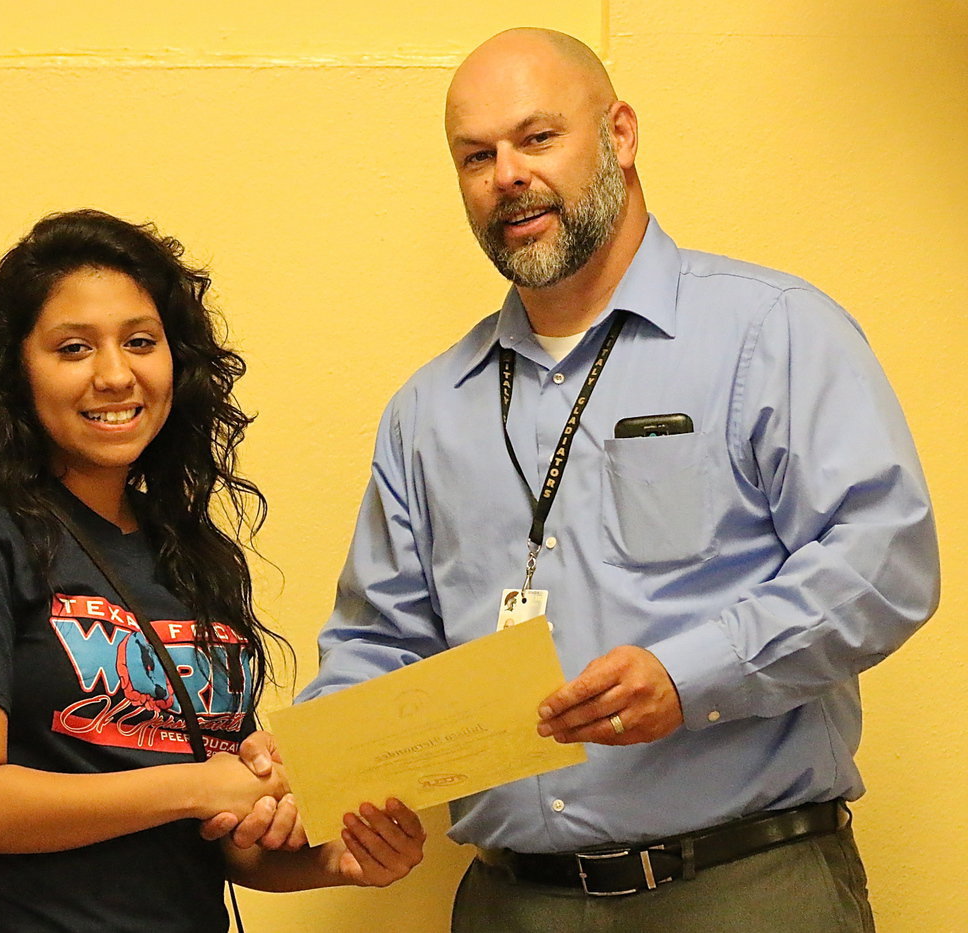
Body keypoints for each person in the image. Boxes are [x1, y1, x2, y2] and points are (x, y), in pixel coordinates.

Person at [275, 27, 938, 932]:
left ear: (620, 136)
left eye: (538, 138)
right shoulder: (426, 411)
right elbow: (377, 641)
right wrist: (332, 785)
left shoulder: (772, 332)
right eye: (477, 155)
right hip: (513, 902)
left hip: (746, 888)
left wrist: (689, 673)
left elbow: (884, 560)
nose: (507, 174)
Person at [0, 209, 424, 932]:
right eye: (73, 348)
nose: (114, 374)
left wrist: (334, 861)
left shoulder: (196, 555)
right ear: (17, 372)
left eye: (140, 341)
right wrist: (200, 784)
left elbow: (221, 833)